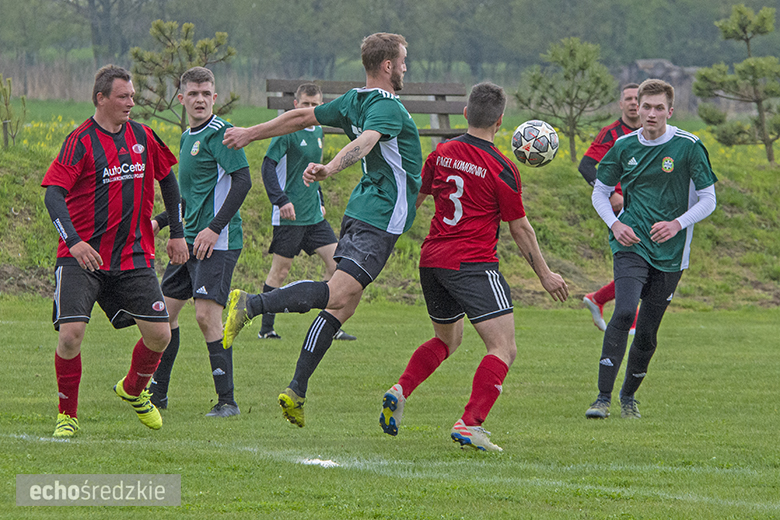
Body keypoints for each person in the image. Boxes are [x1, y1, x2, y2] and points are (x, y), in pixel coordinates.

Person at [221, 32, 421, 428]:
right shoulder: (387, 107)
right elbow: (365, 141)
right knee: (337, 292)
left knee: (343, 305)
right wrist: (330, 168)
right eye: (401, 61)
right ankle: (251, 304)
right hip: (380, 216)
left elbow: (299, 117)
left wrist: (249, 133)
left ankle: (296, 390)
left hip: (366, 209)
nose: (404, 67)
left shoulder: (354, 99)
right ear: (387, 66)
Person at [378, 82, 569, 451]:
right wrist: (545, 274)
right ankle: (470, 423)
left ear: (466, 113)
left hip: (432, 261)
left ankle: (400, 391)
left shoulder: (441, 152)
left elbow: (413, 201)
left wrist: (384, 243)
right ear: (499, 121)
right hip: (473, 264)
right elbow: (520, 228)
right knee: (503, 348)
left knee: (447, 340)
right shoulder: (501, 168)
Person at [41, 65, 189, 437]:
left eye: (133, 95)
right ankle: (67, 415)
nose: (131, 102)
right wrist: (74, 241)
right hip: (82, 257)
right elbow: (53, 194)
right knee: (70, 334)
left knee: (160, 335)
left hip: (133, 256)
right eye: (123, 96)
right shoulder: (80, 141)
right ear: (101, 98)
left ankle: (133, 390)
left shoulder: (143, 136)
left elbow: (170, 184)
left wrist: (177, 233)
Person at [585, 79, 717, 420]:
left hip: (672, 253)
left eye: (660, 108)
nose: (652, 113)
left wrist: (677, 224)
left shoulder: (689, 147)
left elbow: (709, 199)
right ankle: (602, 399)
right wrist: (615, 224)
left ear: (670, 111)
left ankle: (628, 398)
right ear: (637, 108)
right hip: (631, 243)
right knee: (625, 311)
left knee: (647, 330)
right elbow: (599, 191)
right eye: (647, 106)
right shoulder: (624, 146)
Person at [147, 67, 252, 417]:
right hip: (188, 241)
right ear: (182, 98)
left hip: (216, 242)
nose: (200, 99)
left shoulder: (221, 134)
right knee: (163, 316)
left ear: (215, 97)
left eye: (206, 93)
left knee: (207, 317)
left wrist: (214, 228)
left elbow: (242, 182)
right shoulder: (188, 136)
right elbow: (190, 195)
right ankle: (157, 395)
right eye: (193, 94)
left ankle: (228, 402)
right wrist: (162, 221)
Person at [257, 82, 355, 342]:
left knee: (337, 265)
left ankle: (329, 326)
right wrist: (280, 200)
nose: (311, 109)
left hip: (314, 215)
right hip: (289, 214)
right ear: (295, 105)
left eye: (315, 105)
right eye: (306, 104)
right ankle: (266, 328)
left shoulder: (319, 131)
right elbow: (267, 167)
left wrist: (320, 197)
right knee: (281, 271)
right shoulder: (286, 131)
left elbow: (314, 170)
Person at [578, 83, 640, 333]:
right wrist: (612, 192)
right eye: (629, 98)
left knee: (644, 264)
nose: (634, 103)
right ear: (621, 104)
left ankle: (599, 298)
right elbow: (586, 166)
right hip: (624, 211)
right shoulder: (611, 133)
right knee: (639, 262)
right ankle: (631, 322)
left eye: (638, 98)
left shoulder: (652, 132)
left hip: (648, 207)